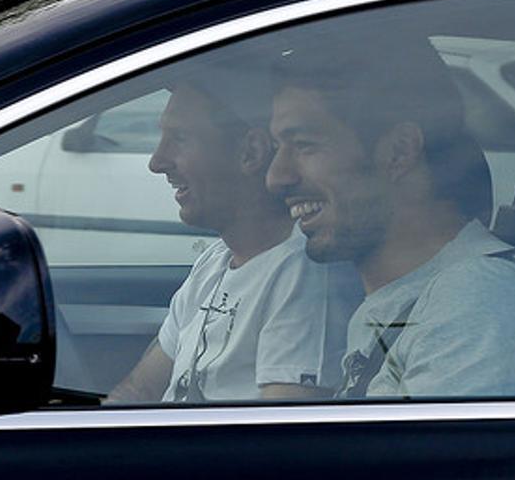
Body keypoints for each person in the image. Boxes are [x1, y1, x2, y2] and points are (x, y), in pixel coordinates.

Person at [264, 33, 515, 398]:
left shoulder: (479, 297)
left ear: (398, 152)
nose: (276, 177)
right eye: (279, 147)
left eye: (304, 145)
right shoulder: (411, 298)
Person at [107, 70, 362, 404]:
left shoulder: (306, 276)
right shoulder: (216, 261)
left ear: (251, 152)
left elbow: (277, 440)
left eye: (180, 138)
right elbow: (138, 391)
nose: (158, 162)